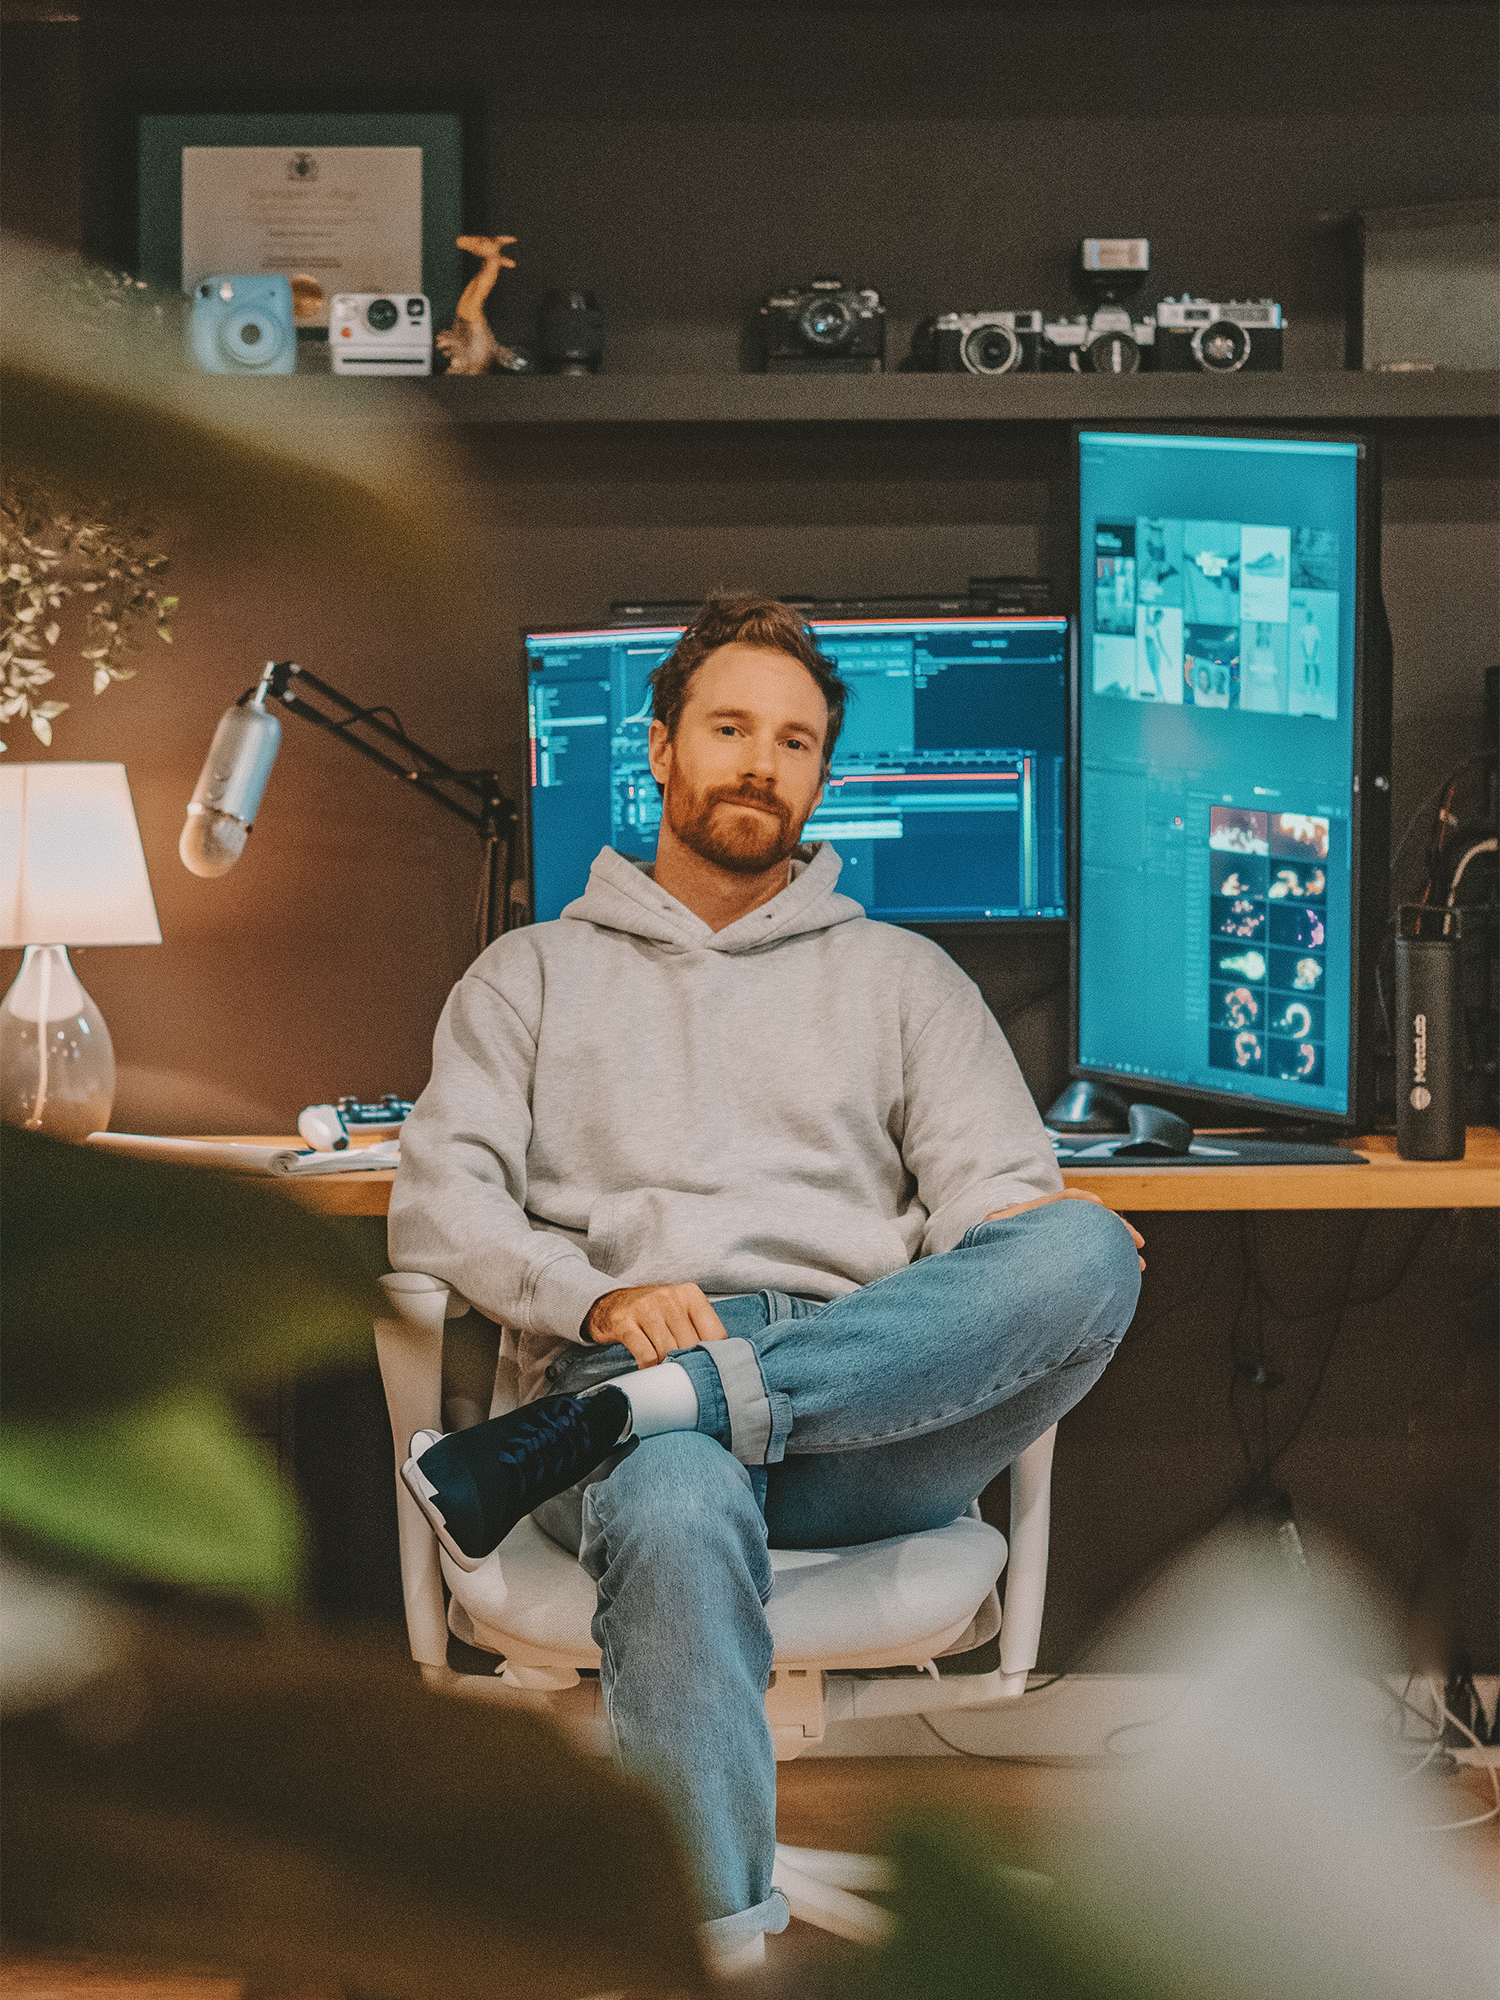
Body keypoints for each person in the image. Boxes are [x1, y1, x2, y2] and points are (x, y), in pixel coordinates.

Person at [388, 595, 1142, 1971]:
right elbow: (440, 1204)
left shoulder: (907, 980)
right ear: (661, 750)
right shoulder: (530, 978)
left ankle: (674, 1406)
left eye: (794, 742)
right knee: (677, 1489)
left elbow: (994, 1199)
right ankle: (719, 1952)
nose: (760, 762)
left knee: (1088, 1246)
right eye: (730, 728)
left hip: (874, 1403)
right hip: (618, 1364)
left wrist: (1038, 1237)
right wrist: (600, 1300)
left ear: (820, 777)